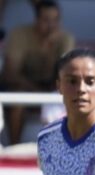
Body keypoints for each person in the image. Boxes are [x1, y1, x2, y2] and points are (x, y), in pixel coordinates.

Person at [1, 0, 74, 145]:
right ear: (36, 20)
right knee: (18, 101)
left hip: (52, 90)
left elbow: (67, 76)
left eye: (55, 20)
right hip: (23, 90)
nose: (51, 25)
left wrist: (48, 47)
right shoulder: (19, 35)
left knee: (63, 99)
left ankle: (61, 150)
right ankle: (15, 148)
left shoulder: (65, 39)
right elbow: (10, 74)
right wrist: (37, 91)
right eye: (46, 20)